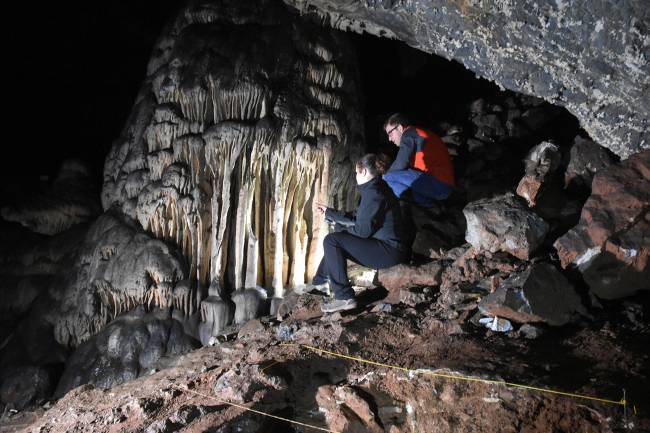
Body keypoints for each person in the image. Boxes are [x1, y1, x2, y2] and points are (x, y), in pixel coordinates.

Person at [310, 154, 410, 313]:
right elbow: (359, 217)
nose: (355, 176)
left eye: (356, 172)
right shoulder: (376, 187)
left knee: (332, 241)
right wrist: (330, 212)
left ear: (363, 172)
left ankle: (344, 297)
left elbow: (362, 231)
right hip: (388, 247)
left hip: (389, 252)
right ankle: (320, 282)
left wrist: (342, 231)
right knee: (336, 237)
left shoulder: (374, 193)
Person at [382, 113, 455, 207]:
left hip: (439, 184)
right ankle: (429, 206)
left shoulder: (409, 134)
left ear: (399, 128)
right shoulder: (417, 134)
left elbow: (400, 164)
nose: (389, 139)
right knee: (400, 176)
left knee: (388, 177)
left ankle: (425, 206)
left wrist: (382, 178)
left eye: (390, 133)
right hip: (442, 184)